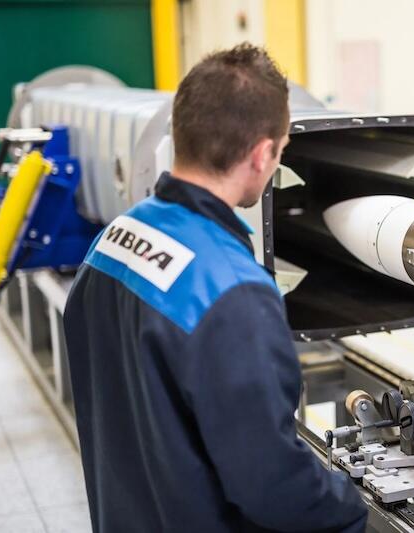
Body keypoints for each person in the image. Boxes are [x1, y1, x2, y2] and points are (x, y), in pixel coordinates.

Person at [63, 43, 367, 532]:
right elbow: (271, 486)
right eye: (281, 151)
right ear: (263, 154)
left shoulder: (113, 238)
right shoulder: (233, 293)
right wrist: (348, 505)